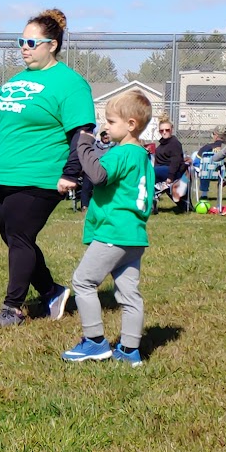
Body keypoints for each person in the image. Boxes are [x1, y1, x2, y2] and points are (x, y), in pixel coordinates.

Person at [0, 8, 94, 327]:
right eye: (20, 41)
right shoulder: (13, 82)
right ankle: (52, 291)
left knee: (21, 236)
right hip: (3, 176)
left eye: (31, 42)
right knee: (14, 239)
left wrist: (71, 172)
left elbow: (82, 133)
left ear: (52, 45)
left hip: (41, 176)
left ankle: (13, 308)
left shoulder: (70, 84)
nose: (23, 47)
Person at [62, 90, 153, 366]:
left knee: (83, 282)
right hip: (134, 236)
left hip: (114, 232)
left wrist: (83, 145)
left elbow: (98, 175)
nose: (106, 127)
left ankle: (94, 342)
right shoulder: (142, 157)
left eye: (111, 122)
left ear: (131, 124)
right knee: (129, 294)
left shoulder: (122, 153)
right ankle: (129, 349)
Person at [151, 117, 187, 208]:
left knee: (150, 172)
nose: (164, 132)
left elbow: (176, 161)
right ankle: (151, 201)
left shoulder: (174, 143)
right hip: (162, 170)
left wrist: (170, 177)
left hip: (174, 172)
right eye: (161, 130)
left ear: (171, 130)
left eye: (167, 130)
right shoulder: (162, 144)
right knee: (148, 177)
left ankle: (152, 199)